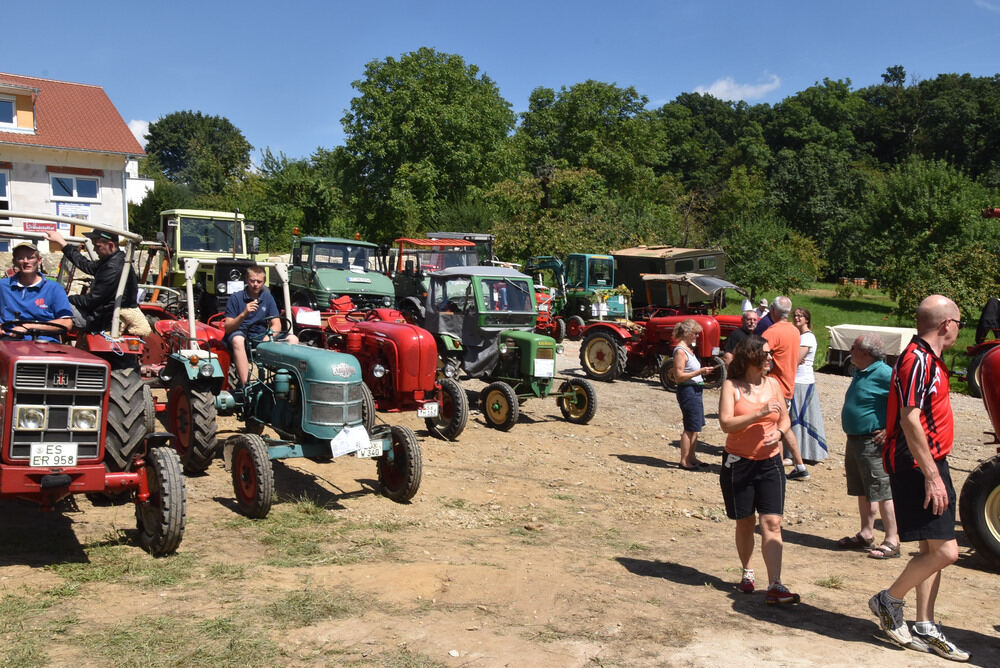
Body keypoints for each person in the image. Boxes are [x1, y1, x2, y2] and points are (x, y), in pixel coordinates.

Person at [868, 295, 970, 661]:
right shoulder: (917, 360)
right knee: (946, 551)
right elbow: (911, 417)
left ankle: (925, 625)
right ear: (946, 324)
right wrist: (931, 475)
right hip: (917, 465)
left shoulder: (928, 359)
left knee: (932, 551)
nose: (960, 328)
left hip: (927, 461)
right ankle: (889, 600)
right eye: (959, 321)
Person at [718, 335, 800, 604]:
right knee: (745, 521)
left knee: (772, 522)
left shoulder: (774, 384)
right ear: (750, 356)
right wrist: (760, 412)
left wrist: (778, 432)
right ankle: (747, 572)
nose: (770, 358)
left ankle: (775, 584)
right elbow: (726, 424)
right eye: (766, 354)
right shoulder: (732, 386)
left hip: (770, 462)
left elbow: (786, 420)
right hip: (738, 463)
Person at [838, 334, 898, 559]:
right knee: (862, 490)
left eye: (853, 347)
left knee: (883, 491)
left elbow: (905, 403)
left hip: (871, 443)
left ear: (866, 353)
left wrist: (889, 430)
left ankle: (892, 540)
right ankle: (866, 533)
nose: (850, 350)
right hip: (855, 440)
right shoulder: (861, 371)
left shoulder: (885, 374)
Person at [46, 228, 137, 332]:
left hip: (99, 320)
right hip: (101, 315)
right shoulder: (111, 260)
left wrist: (67, 299)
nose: (94, 250)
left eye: (97, 246)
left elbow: (91, 301)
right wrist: (62, 243)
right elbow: (87, 265)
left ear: (111, 245)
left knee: (53, 304)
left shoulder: (113, 267)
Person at [224, 264, 298, 386]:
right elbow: (228, 328)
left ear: (264, 282)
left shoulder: (268, 298)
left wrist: (269, 337)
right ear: (247, 280)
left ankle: (285, 382)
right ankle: (246, 386)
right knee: (238, 339)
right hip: (242, 334)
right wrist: (244, 314)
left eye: (259, 281)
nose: (255, 284)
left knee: (293, 338)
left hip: (261, 336)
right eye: (252, 281)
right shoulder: (236, 298)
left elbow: (276, 324)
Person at [761, 296, 809, 480]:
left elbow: (759, 356)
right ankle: (799, 466)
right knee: (784, 426)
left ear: (772, 310)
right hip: (788, 384)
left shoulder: (771, 333)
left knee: (775, 427)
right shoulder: (794, 331)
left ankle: (777, 468)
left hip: (774, 386)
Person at [0, 241, 72, 340]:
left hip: (44, 342)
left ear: (39, 260)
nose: (26, 261)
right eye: (20, 258)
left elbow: (66, 322)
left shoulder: (54, 288)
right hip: (8, 340)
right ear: (14, 262)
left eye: (30, 257)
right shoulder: (3, 286)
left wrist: (27, 327)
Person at [671, 319, 714, 470]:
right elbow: (678, 376)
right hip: (687, 390)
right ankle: (684, 460)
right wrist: (700, 371)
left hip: (695, 389)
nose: (697, 336)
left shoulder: (688, 350)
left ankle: (692, 456)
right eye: (695, 334)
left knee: (696, 426)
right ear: (688, 333)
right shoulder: (680, 351)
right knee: (689, 426)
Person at [789, 308, 828, 463]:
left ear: (807, 319)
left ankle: (800, 453)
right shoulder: (799, 336)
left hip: (802, 381)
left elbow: (795, 360)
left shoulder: (807, 338)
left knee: (799, 417)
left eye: (801, 316)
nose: (797, 318)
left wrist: (792, 356)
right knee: (798, 416)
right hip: (799, 379)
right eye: (795, 315)